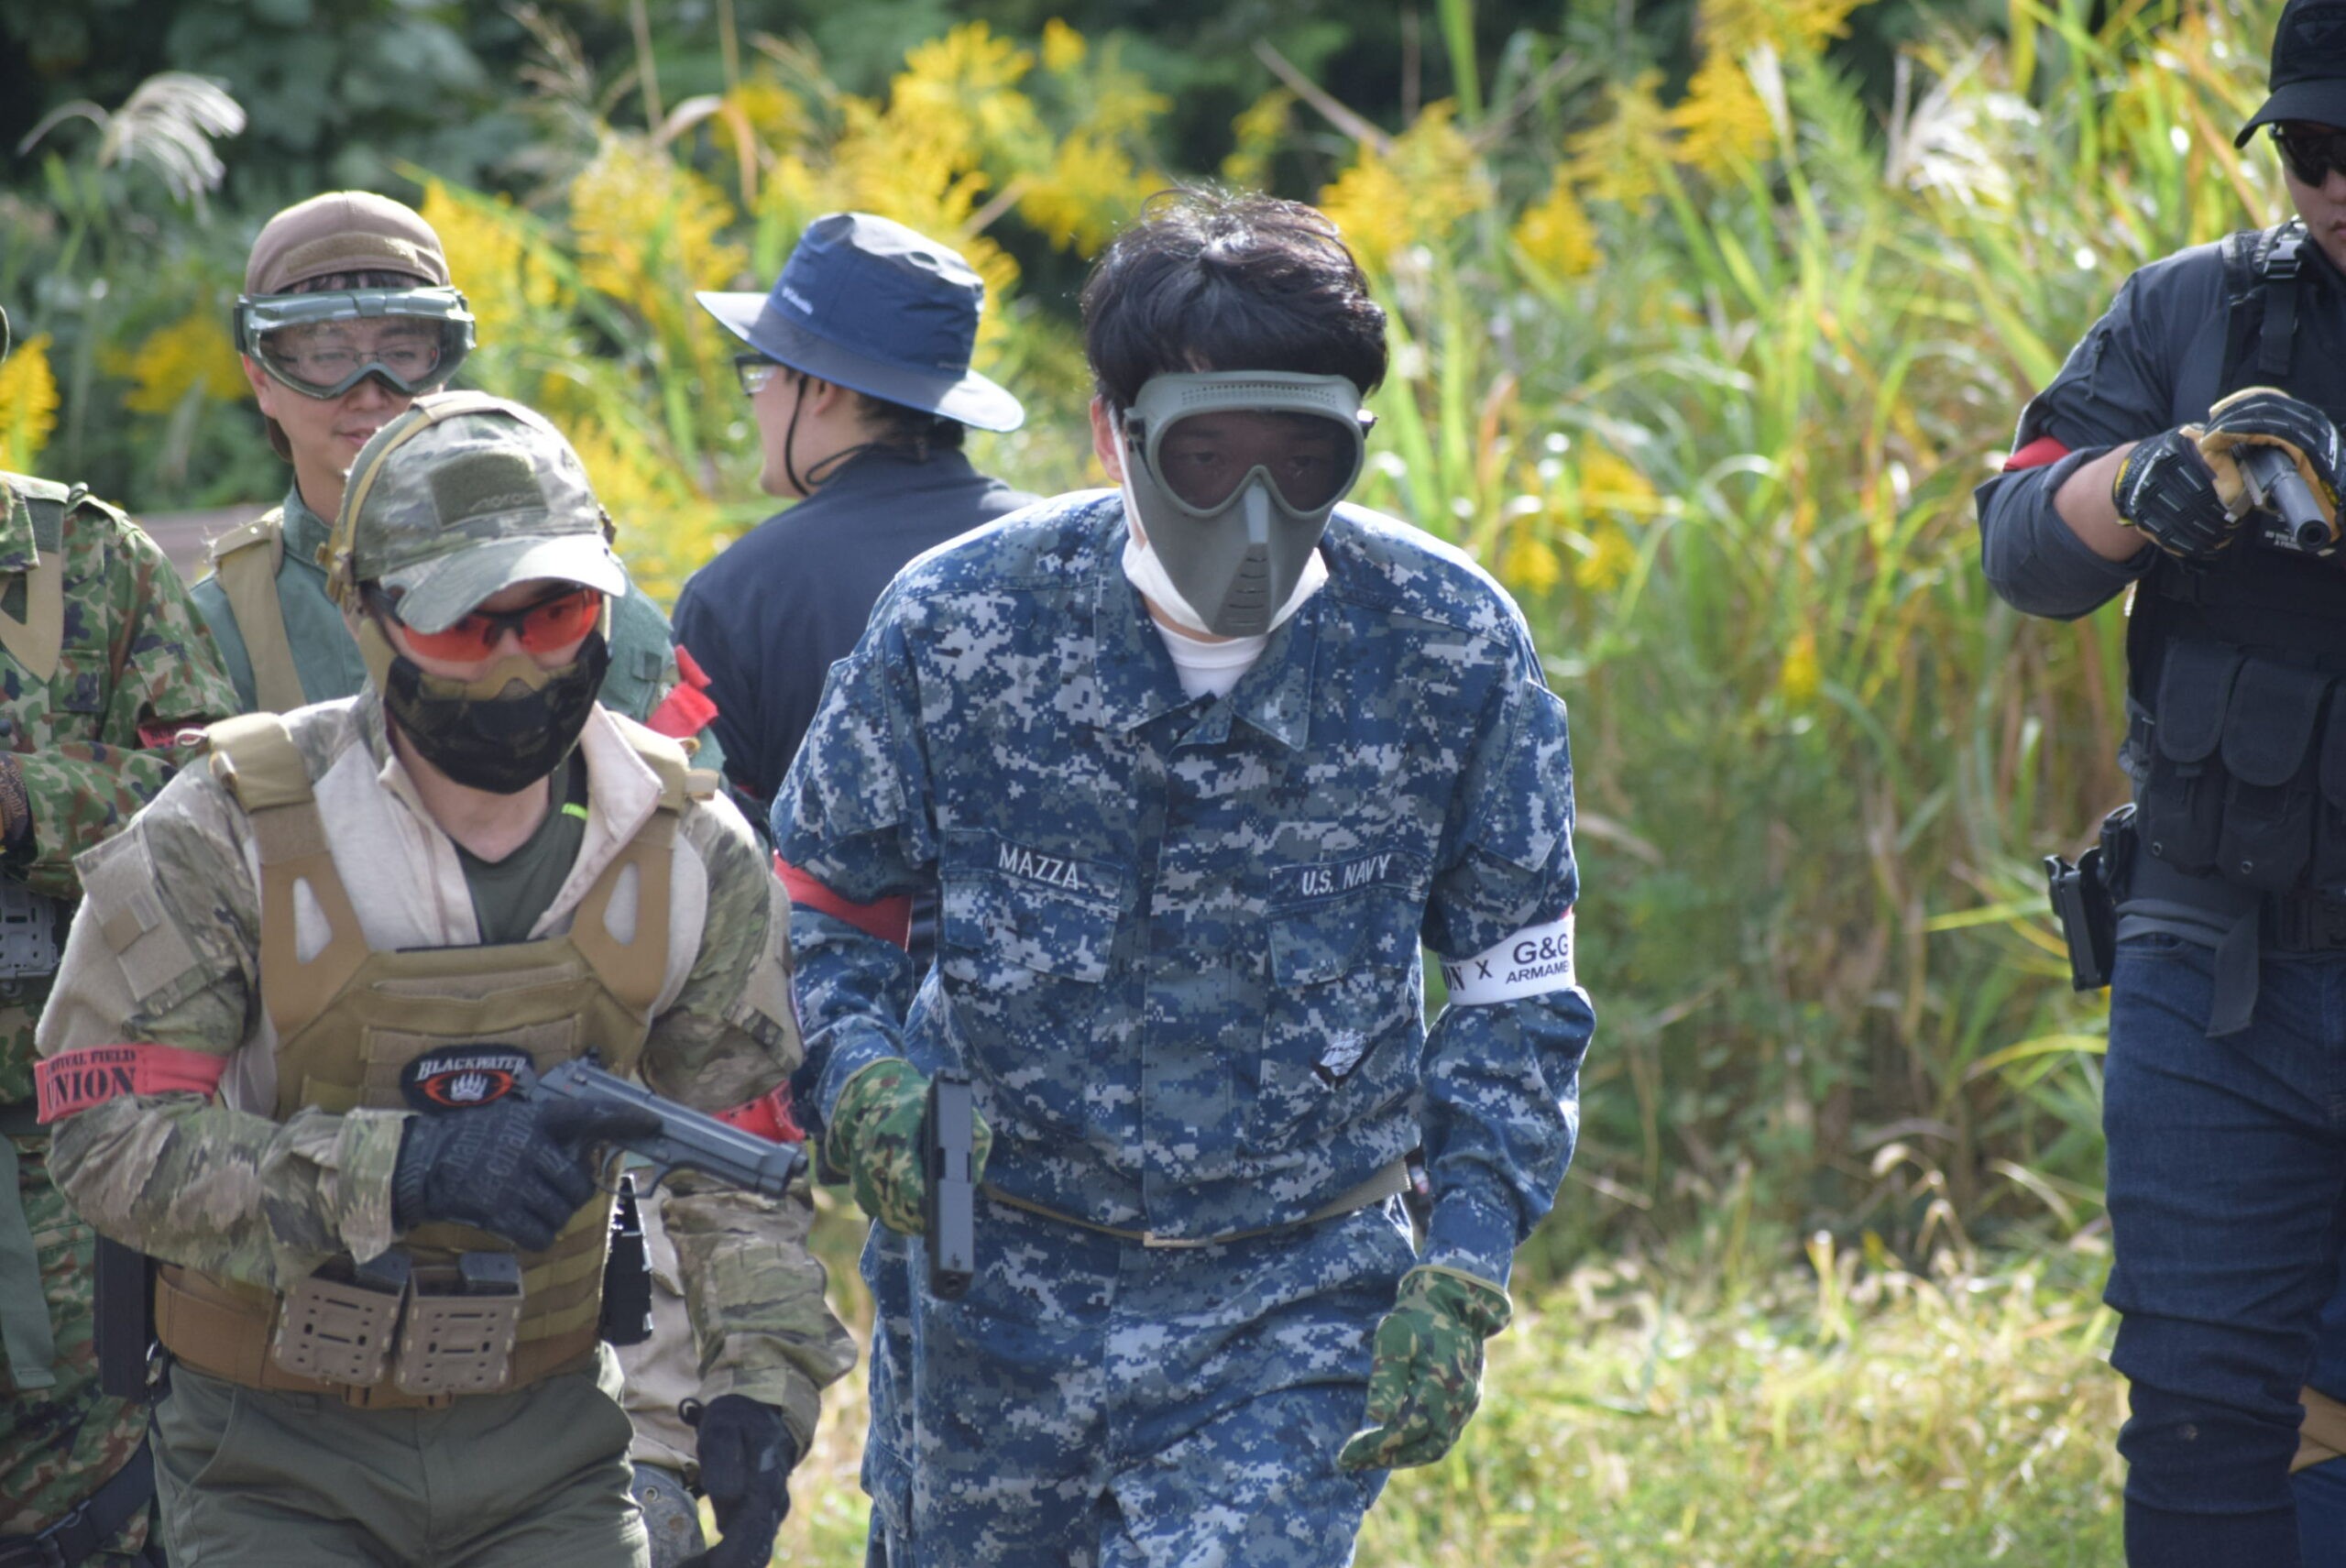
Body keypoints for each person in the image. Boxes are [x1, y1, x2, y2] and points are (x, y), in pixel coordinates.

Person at [773, 190, 1595, 1565]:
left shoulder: (1446, 645)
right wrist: (859, 1076)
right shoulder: (960, 623)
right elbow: (818, 909)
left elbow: (1516, 981)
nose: (1255, 511)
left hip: (1291, 1291)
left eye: (1304, 459)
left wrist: (1462, 1255)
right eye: (1204, 459)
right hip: (993, 1292)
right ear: (1113, 431)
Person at [32, 392, 855, 1566]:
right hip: (269, 1456)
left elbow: (732, 1158)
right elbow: (104, 1136)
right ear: (366, 613)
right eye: (467, 625)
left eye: (557, 613)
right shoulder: (226, 831)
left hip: (551, 1444)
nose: (518, 665)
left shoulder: (688, 847)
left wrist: (755, 1389)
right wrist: (402, 1169)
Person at [1976, 3, 2346, 1559]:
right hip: (2219, 981)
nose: (2339, 185)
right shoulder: (2197, 309)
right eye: (2314, 149)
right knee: (2200, 1423)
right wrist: (2145, 484)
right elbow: (2020, 541)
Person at [0, 305, 238, 1567]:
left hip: (62, 1163)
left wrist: (27, 800)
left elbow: (212, 795)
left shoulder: (83, 564)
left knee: (98, 1520)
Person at [192, 191, 720, 758]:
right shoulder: (221, 624)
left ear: (443, 362)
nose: (369, 391)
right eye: (328, 356)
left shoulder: (562, 586)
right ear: (262, 380)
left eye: (402, 352)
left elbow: (688, 790)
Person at [674, 210, 1036, 838]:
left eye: (763, 369)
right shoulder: (1062, 549)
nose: (756, 397)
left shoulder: (738, 595)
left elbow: (700, 845)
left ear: (819, 389)